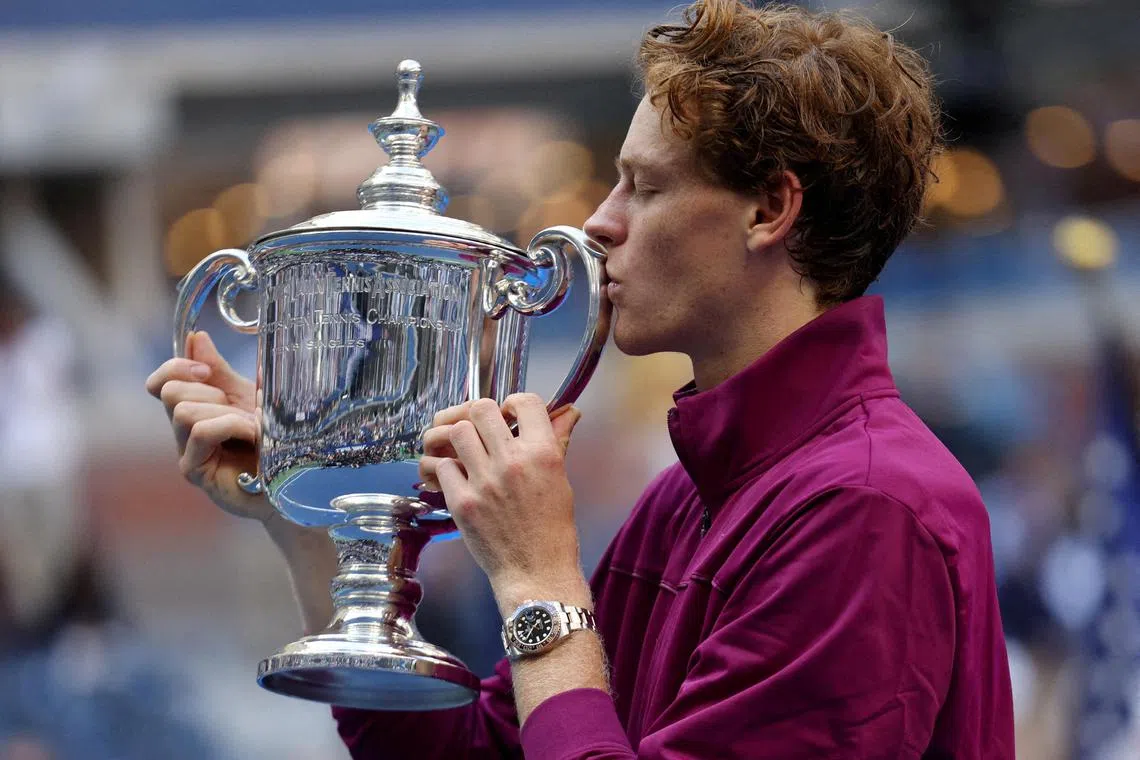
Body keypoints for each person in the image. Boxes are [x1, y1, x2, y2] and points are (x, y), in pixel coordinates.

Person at [146, 0, 1016, 756]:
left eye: (645, 187)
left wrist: (539, 583)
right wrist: (310, 515)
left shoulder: (866, 509)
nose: (599, 223)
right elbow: (470, 751)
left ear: (768, 210)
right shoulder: (688, 501)